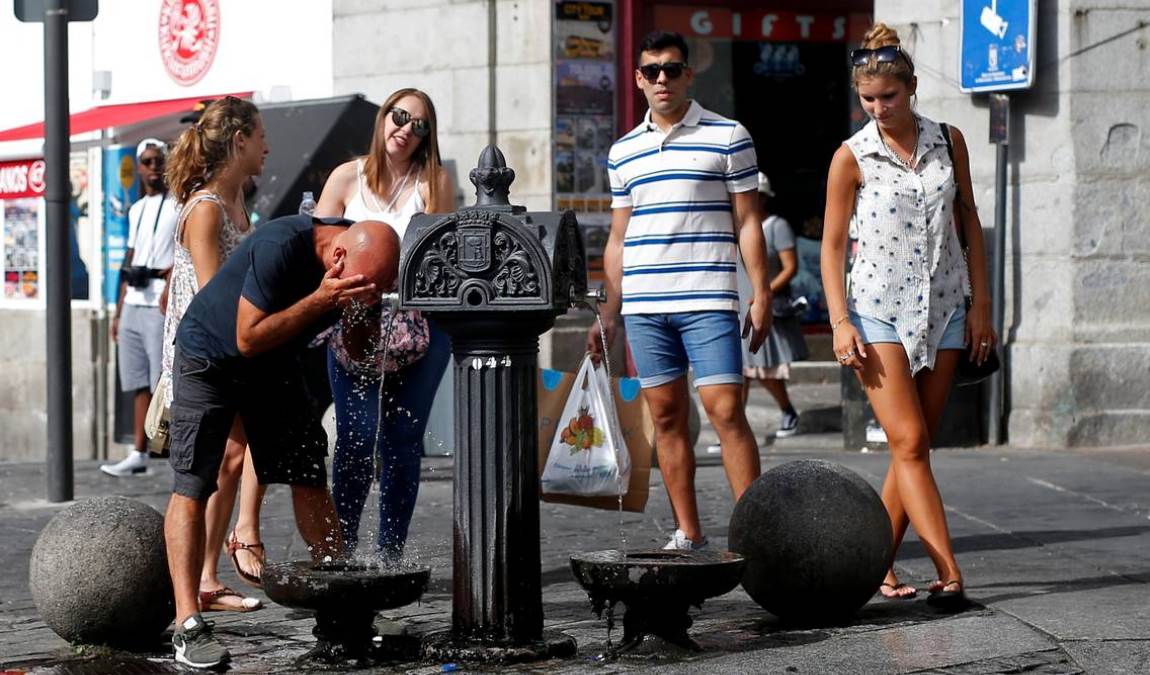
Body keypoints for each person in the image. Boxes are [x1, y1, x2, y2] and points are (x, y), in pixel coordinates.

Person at [165, 215, 398, 668]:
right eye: (364, 287)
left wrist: (361, 311)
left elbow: (358, 347)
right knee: (194, 482)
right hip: (210, 356)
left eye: (377, 289)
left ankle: (342, 605)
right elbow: (247, 338)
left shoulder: (360, 263)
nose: (367, 293)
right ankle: (187, 623)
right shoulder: (282, 245)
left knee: (307, 473)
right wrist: (322, 299)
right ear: (337, 256)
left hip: (273, 361)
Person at [820, 23, 996, 608]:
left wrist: (981, 306)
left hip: (946, 310)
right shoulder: (851, 156)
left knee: (911, 448)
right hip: (877, 313)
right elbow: (831, 247)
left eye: (888, 97)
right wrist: (839, 320)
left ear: (911, 87)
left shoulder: (950, 140)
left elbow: (968, 221)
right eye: (868, 99)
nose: (878, 108)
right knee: (911, 440)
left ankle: (875, 565)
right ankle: (949, 570)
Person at [588, 31, 772, 551]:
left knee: (725, 410)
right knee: (666, 419)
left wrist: (761, 293)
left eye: (672, 68)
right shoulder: (623, 151)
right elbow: (618, 238)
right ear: (639, 79)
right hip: (645, 305)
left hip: (708, 298)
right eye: (652, 71)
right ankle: (689, 532)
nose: (662, 79)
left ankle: (758, 534)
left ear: (689, 73)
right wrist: (607, 313)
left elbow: (749, 222)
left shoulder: (729, 135)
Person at [314, 88, 455, 559]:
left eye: (420, 125)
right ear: (382, 119)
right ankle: (343, 548)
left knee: (403, 439)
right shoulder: (345, 177)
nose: (406, 129)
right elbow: (319, 246)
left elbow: (441, 255)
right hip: (354, 320)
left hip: (418, 325)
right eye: (400, 116)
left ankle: (391, 553)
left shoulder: (432, 181)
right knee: (355, 436)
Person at [162, 96, 268, 612]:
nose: (267, 147)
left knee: (233, 458)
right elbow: (211, 296)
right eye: (261, 136)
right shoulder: (205, 209)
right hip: (204, 355)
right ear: (239, 139)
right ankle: (211, 569)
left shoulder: (238, 202)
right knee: (207, 468)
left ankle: (210, 574)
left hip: (234, 347)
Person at [100, 139, 178, 477]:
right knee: (137, 382)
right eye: (146, 162)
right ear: (140, 166)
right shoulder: (136, 209)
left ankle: (174, 449)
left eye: (158, 160)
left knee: (164, 379)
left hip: (159, 302)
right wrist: (118, 312)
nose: (153, 167)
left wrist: (167, 278)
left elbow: (185, 253)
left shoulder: (178, 205)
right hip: (133, 301)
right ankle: (139, 452)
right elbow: (129, 258)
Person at [740, 173, 808, 439]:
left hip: (764, 304)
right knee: (739, 372)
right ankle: (734, 427)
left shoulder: (776, 226)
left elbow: (790, 267)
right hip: (739, 306)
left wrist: (764, 292)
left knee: (764, 369)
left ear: (763, 198)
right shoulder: (735, 226)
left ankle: (787, 411)